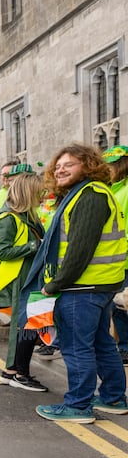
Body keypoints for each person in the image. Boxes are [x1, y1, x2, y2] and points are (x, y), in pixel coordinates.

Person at [24, 144, 127, 423]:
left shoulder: (90, 196)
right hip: (98, 285)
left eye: (69, 164)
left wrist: (55, 284)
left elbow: (79, 250)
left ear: (89, 165)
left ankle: (79, 406)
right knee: (101, 342)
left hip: (83, 287)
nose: (60, 169)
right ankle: (113, 397)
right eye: (58, 166)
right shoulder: (87, 193)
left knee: (75, 346)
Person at [0, 172, 47, 392]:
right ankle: (18, 373)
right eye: (39, 192)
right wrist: (35, 246)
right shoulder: (8, 218)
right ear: (28, 193)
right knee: (23, 327)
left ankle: (13, 372)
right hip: (17, 279)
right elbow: (4, 252)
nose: (43, 196)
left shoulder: (26, 216)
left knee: (27, 325)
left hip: (26, 277)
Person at [103, 145, 128, 363]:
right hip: (116, 259)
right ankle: (125, 347)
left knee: (121, 304)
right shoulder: (113, 189)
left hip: (123, 258)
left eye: (109, 166)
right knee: (118, 305)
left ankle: (126, 348)